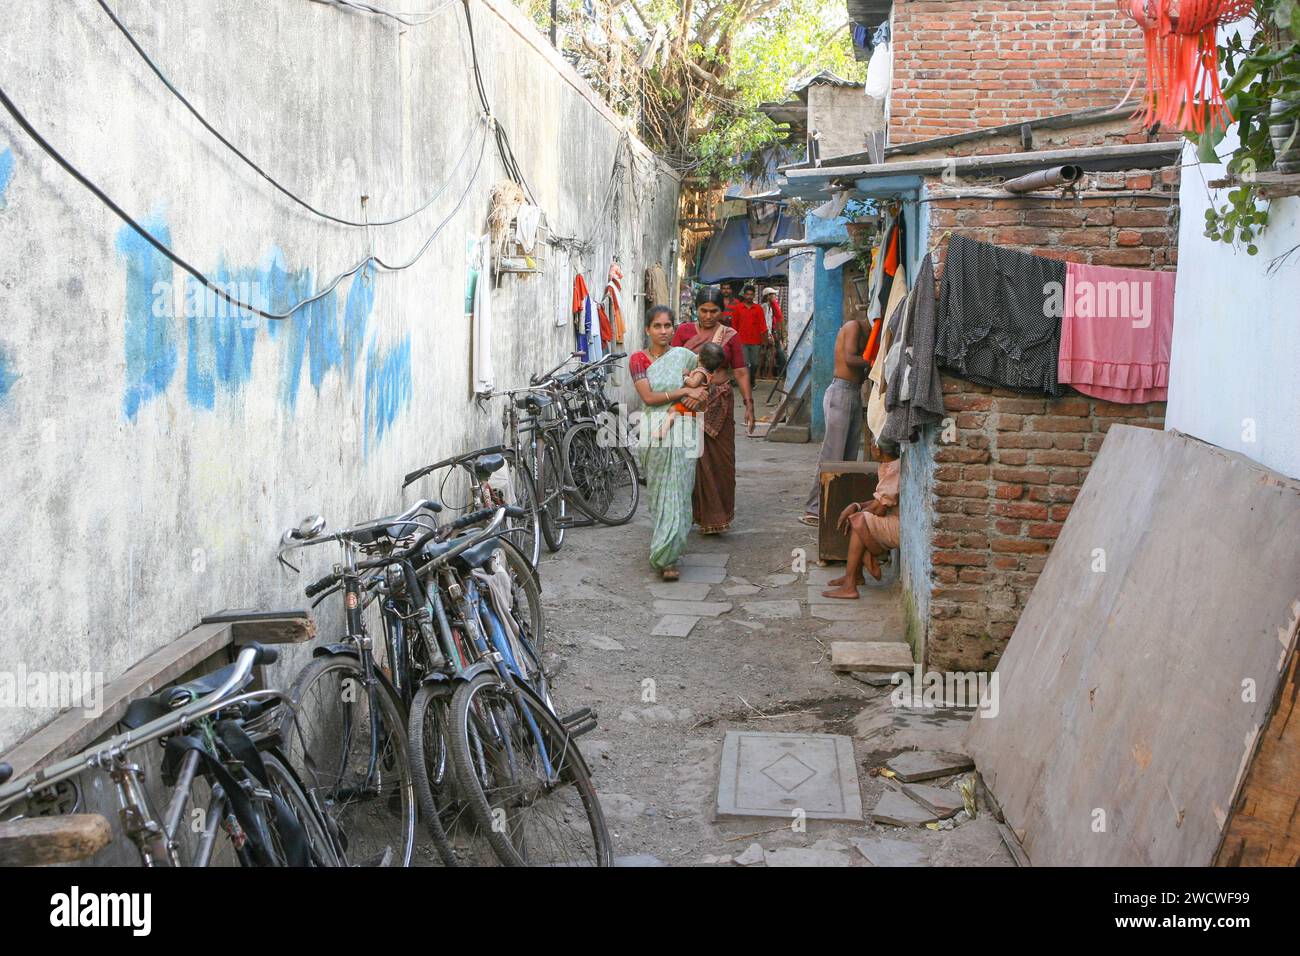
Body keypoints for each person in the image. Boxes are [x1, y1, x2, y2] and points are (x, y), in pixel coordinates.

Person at [631, 306, 710, 580]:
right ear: (647, 330)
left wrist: (697, 389)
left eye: (667, 326)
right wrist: (684, 390)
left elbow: (705, 371)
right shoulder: (638, 360)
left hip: (685, 429)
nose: (663, 331)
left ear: (674, 328)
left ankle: (670, 557)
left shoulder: (684, 356)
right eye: (657, 326)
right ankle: (663, 547)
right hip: (654, 428)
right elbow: (649, 397)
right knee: (660, 493)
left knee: (680, 491)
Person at [671, 289, 755, 535]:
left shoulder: (730, 335)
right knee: (690, 461)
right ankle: (691, 514)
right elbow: (673, 364)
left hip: (719, 401)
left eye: (714, 311)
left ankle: (717, 518)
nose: (708, 316)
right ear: (695, 309)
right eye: (703, 310)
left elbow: (739, 371)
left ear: (722, 311)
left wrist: (749, 404)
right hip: (688, 401)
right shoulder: (684, 332)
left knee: (721, 461)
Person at [800, 316, 872, 526]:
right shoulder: (853, 326)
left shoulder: (866, 333)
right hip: (841, 392)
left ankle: (835, 505)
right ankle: (814, 509)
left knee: (847, 458)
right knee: (832, 455)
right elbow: (850, 359)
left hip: (852, 393)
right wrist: (875, 361)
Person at [822, 453, 900, 599]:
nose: (872, 447)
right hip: (894, 520)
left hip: (899, 526)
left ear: (879, 449)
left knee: (859, 520)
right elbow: (881, 500)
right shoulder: (888, 465)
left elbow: (880, 509)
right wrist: (856, 506)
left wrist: (856, 517)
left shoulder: (896, 467)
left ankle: (850, 586)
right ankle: (856, 575)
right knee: (858, 517)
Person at [653, 342, 726, 441]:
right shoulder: (709, 372)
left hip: (691, 404)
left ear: (700, 357)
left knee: (673, 410)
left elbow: (693, 383)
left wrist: (685, 377)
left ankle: (662, 431)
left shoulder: (701, 372)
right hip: (697, 406)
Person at [732, 284, 769, 380]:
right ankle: (747, 382)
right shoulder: (738, 308)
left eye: (751, 294)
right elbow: (734, 326)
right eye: (747, 294)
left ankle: (751, 379)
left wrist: (765, 341)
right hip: (741, 340)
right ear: (744, 295)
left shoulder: (758, 308)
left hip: (756, 341)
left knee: (755, 363)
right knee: (745, 363)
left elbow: (763, 325)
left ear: (754, 295)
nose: (749, 296)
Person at [761, 287, 788, 376]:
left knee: (776, 351)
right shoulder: (765, 306)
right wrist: (769, 335)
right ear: (768, 296)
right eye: (773, 295)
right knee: (775, 351)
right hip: (765, 333)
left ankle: (773, 373)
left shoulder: (770, 306)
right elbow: (765, 321)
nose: (775, 297)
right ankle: (775, 374)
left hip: (770, 333)